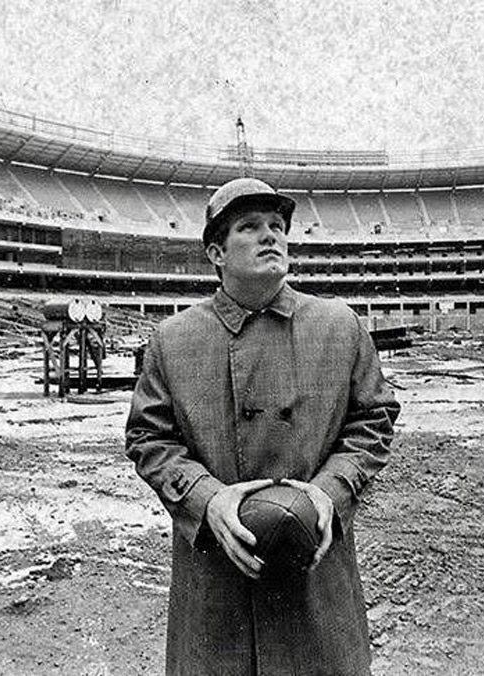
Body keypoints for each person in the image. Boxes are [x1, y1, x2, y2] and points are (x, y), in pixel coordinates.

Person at [125, 177, 400, 675]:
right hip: (216, 581)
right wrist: (207, 500)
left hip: (316, 578)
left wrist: (328, 493)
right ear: (216, 252)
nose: (270, 235)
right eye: (250, 227)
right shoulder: (173, 339)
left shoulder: (340, 325)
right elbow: (149, 437)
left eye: (277, 225)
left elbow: (374, 419)